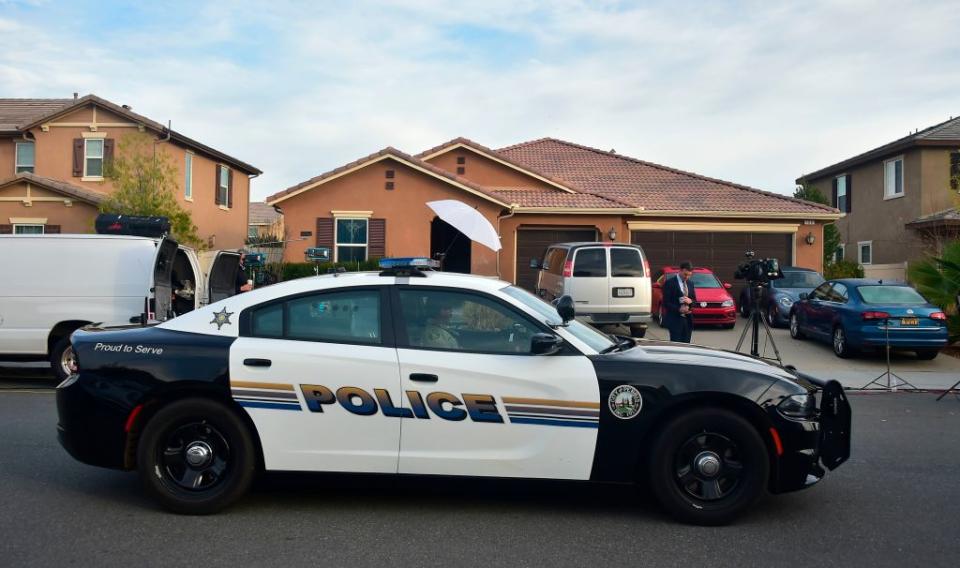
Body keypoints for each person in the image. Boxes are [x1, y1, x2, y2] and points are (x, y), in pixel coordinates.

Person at [661, 261, 697, 343]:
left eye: (689, 275)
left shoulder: (690, 284)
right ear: (680, 270)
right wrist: (678, 309)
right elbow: (666, 303)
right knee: (676, 346)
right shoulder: (669, 283)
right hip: (675, 320)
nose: (687, 277)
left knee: (687, 346)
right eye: (685, 274)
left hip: (688, 321)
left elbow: (695, 301)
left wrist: (690, 301)